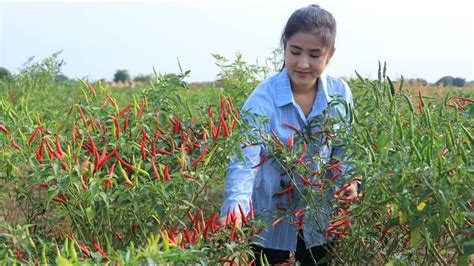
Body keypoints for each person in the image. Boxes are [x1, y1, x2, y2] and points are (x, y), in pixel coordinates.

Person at [219, 4, 358, 265]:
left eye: (315, 55)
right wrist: (236, 206)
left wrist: (350, 182)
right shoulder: (264, 97)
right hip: (271, 213)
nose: (303, 64)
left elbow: (344, 148)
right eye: (295, 52)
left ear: (330, 54)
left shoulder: (340, 93)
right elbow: (245, 158)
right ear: (284, 47)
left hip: (319, 213)